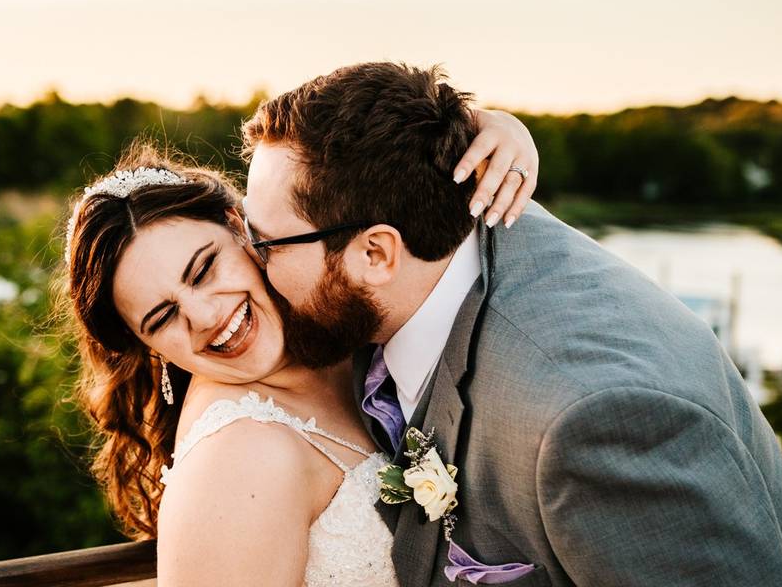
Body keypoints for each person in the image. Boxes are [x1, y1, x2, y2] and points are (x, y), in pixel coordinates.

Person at [241, 62, 782, 586]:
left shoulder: (594, 423)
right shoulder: (436, 216)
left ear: (376, 254)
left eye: (265, 245)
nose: (252, 266)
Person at [62, 107, 540, 586]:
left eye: (205, 270)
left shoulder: (333, 310)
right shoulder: (234, 458)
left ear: (239, 226)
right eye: (163, 317)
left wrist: (493, 128)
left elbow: (377, 146)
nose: (205, 317)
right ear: (148, 347)